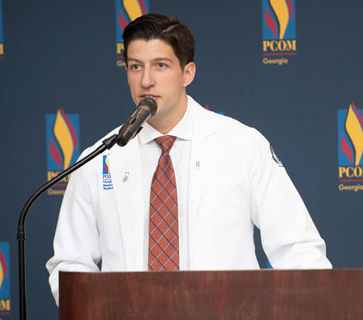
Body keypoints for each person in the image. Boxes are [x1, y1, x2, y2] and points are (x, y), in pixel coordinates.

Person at [46, 13, 332, 305]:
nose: (146, 80)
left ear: (188, 73)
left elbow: (299, 250)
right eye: (135, 67)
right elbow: (70, 265)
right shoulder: (99, 160)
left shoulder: (243, 146)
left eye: (160, 65)